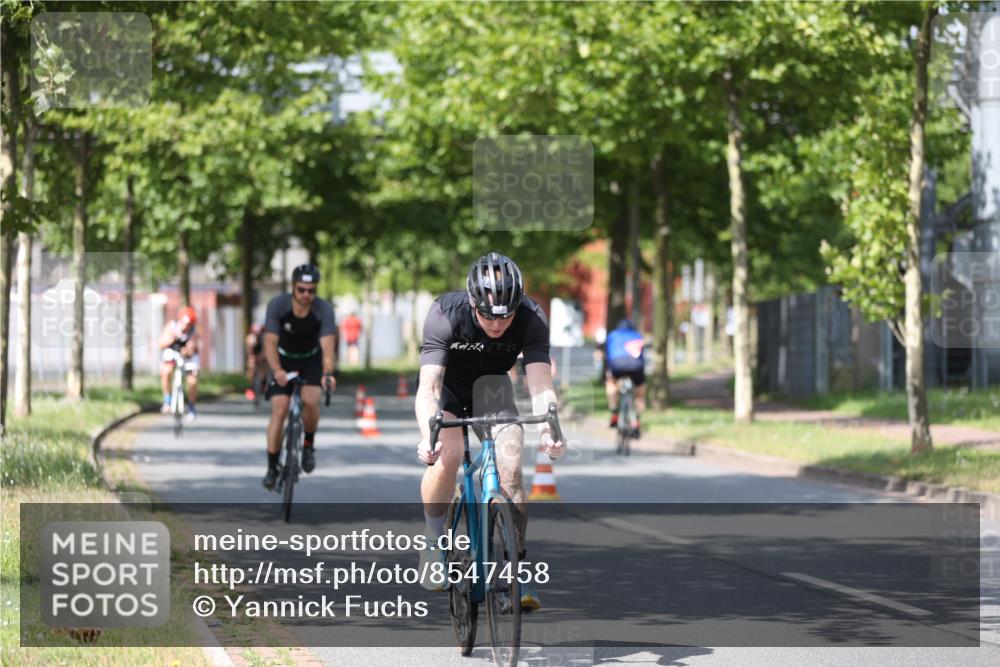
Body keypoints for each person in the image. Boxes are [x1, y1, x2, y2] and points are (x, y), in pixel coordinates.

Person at [415, 252, 566, 610]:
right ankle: (433, 541)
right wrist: (427, 434)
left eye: (505, 317)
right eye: (487, 316)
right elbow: (429, 387)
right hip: (449, 390)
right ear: (472, 302)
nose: (497, 325)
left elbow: (540, 384)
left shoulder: (531, 318)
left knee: (511, 470)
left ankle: (516, 571)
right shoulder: (444, 314)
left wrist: (549, 429)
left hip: (493, 388)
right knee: (448, 458)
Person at [261, 264, 337, 490]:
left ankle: (308, 444)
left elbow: (328, 346)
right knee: (280, 408)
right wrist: (277, 371)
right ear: (293, 288)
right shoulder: (277, 305)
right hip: (283, 360)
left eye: (311, 290)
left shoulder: (323, 309)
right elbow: (269, 342)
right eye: (301, 289)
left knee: (311, 400)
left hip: (311, 360)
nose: (306, 295)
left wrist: (327, 374)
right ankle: (272, 467)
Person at [604, 318, 646, 437]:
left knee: (611, 383)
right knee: (640, 394)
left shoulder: (612, 335)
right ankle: (637, 421)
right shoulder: (637, 335)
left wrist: (608, 372)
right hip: (636, 365)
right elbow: (643, 355)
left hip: (617, 364)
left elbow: (608, 355)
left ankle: (614, 412)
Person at [159, 306, 200, 420]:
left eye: (189, 324)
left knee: (193, 381)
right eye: (185, 323)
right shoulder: (171, 326)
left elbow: (193, 349)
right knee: (166, 371)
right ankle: (167, 400)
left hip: (188, 358)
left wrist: (188, 350)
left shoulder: (193, 332)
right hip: (172, 353)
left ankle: (191, 406)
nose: (186, 327)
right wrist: (172, 339)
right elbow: (161, 344)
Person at [245, 323, 267, 401]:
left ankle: (263, 384)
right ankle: (251, 386)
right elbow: (249, 351)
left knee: (264, 370)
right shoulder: (250, 339)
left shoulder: (265, 338)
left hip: (262, 355)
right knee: (251, 368)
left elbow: (265, 351)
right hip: (254, 354)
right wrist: (252, 358)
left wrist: (261, 358)